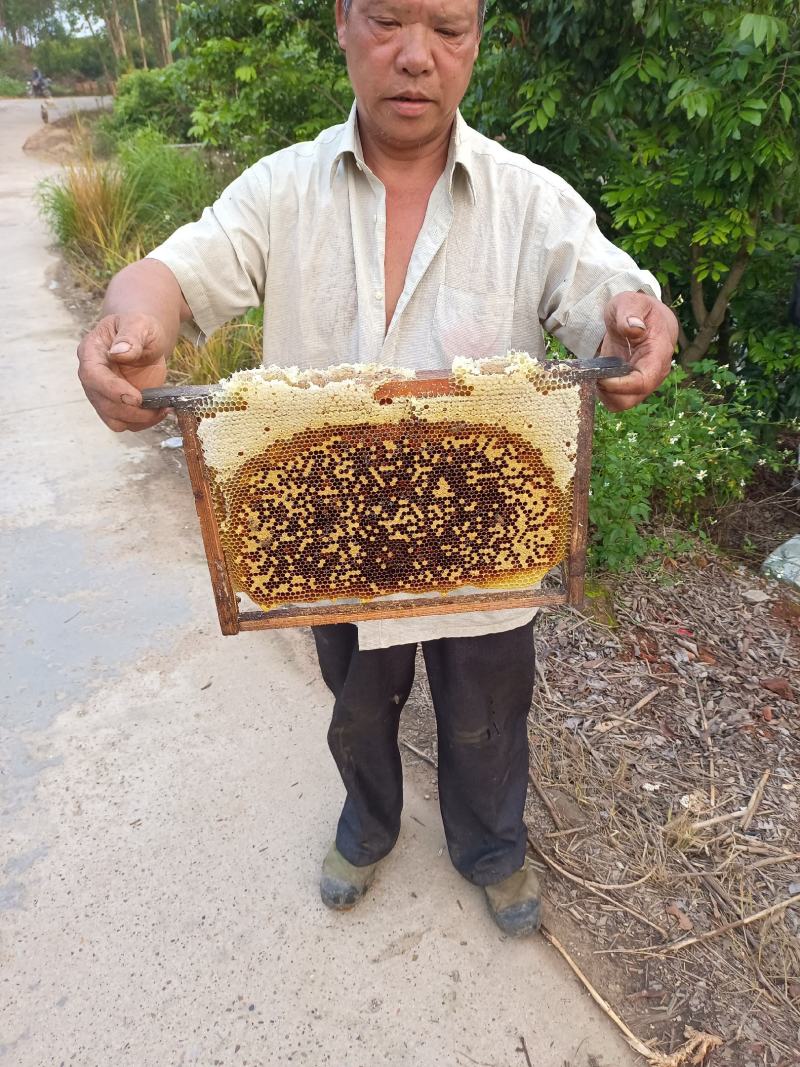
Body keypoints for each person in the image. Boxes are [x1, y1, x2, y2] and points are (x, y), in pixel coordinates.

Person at [77, 0, 678, 937]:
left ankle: (491, 847)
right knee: (357, 713)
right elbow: (171, 277)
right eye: (389, 20)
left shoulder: (531, 201)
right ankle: (369, 822)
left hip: (487, 560)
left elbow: (605, 290)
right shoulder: (279, 192)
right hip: (334, 554)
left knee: (485, 721)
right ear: (343, 24)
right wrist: (133, 327)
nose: (415, 56)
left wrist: (634, 319)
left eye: (446, 28)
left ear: (477, 43)